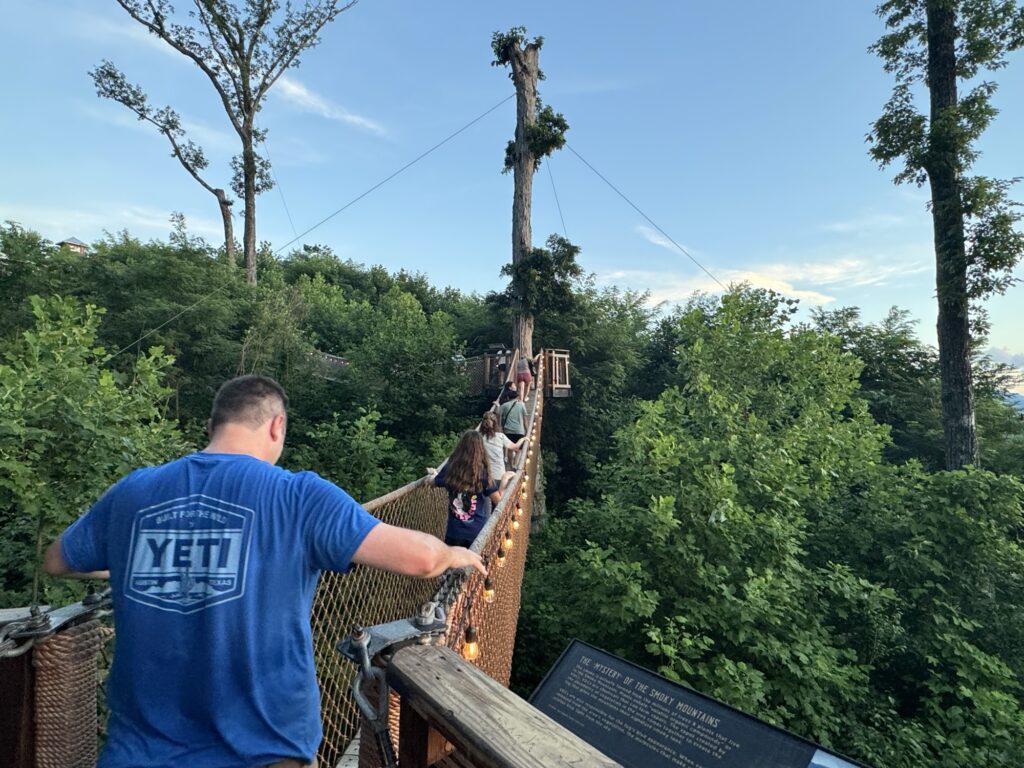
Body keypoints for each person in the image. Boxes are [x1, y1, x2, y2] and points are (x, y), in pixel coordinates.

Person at [42, 375, 485, 768]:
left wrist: (142, 562)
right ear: (276, 426)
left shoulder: (134, 491)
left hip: (137, 754)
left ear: (213, 426)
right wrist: (454, 554)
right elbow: (419, 559)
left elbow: (58, 561)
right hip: (263, 750)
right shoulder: (298, 496)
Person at [429, 430, 513, 548]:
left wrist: (433, 476)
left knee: (453, 564)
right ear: (481, 450)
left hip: (454, 533)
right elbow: (499, 503)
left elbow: (433, 483)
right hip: (477, 534)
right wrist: (503, 482)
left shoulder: (450, 469)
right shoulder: (482, 473)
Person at [479, 411, 525, 486]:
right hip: (498, 474)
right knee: (500, 495)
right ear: (495, 424)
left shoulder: (478, 438)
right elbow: (515, 447)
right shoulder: (500, 436)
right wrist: (523, 439)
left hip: (483, 475)